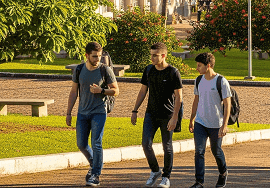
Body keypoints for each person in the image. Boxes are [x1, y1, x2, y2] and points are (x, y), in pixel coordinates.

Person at [66, 42, 119, 187]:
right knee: (81, 144)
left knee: (97, 142)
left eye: (100, 56)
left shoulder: (105, 70)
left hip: (99, 112)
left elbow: (116, 91)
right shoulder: (79, 69)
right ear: (87, 55)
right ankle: (94, 163)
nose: (98, 59)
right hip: (82, 112)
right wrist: (68, 112)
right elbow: (73, 92)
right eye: (95, 56)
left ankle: (95, 174)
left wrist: (101, 91)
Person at [132, 42, 183, 188]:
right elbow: (143, 91)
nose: (152, 58)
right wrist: (135, 110)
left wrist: (175, 117)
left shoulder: (173, 72)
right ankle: (155, 171)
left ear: (163, 55)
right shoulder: (148, 70)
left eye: (155, 55)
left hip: (167, 115)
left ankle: (166, 177)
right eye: (151, 55)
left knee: (167, 146)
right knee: (146, 144)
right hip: (150, 114)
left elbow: (179, 97)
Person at [189, 52, 231, 188]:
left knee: (216, 150)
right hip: (200, 122)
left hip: (216, 124)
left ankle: (223, 173)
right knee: (199, 151)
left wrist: (224, 125)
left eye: (199, 65)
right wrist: (192, 119)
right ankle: (199, 182)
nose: (197, 68)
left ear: (208, 66)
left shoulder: (221, 81)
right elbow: (196, 100)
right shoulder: (198, 80)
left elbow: (227, 104)